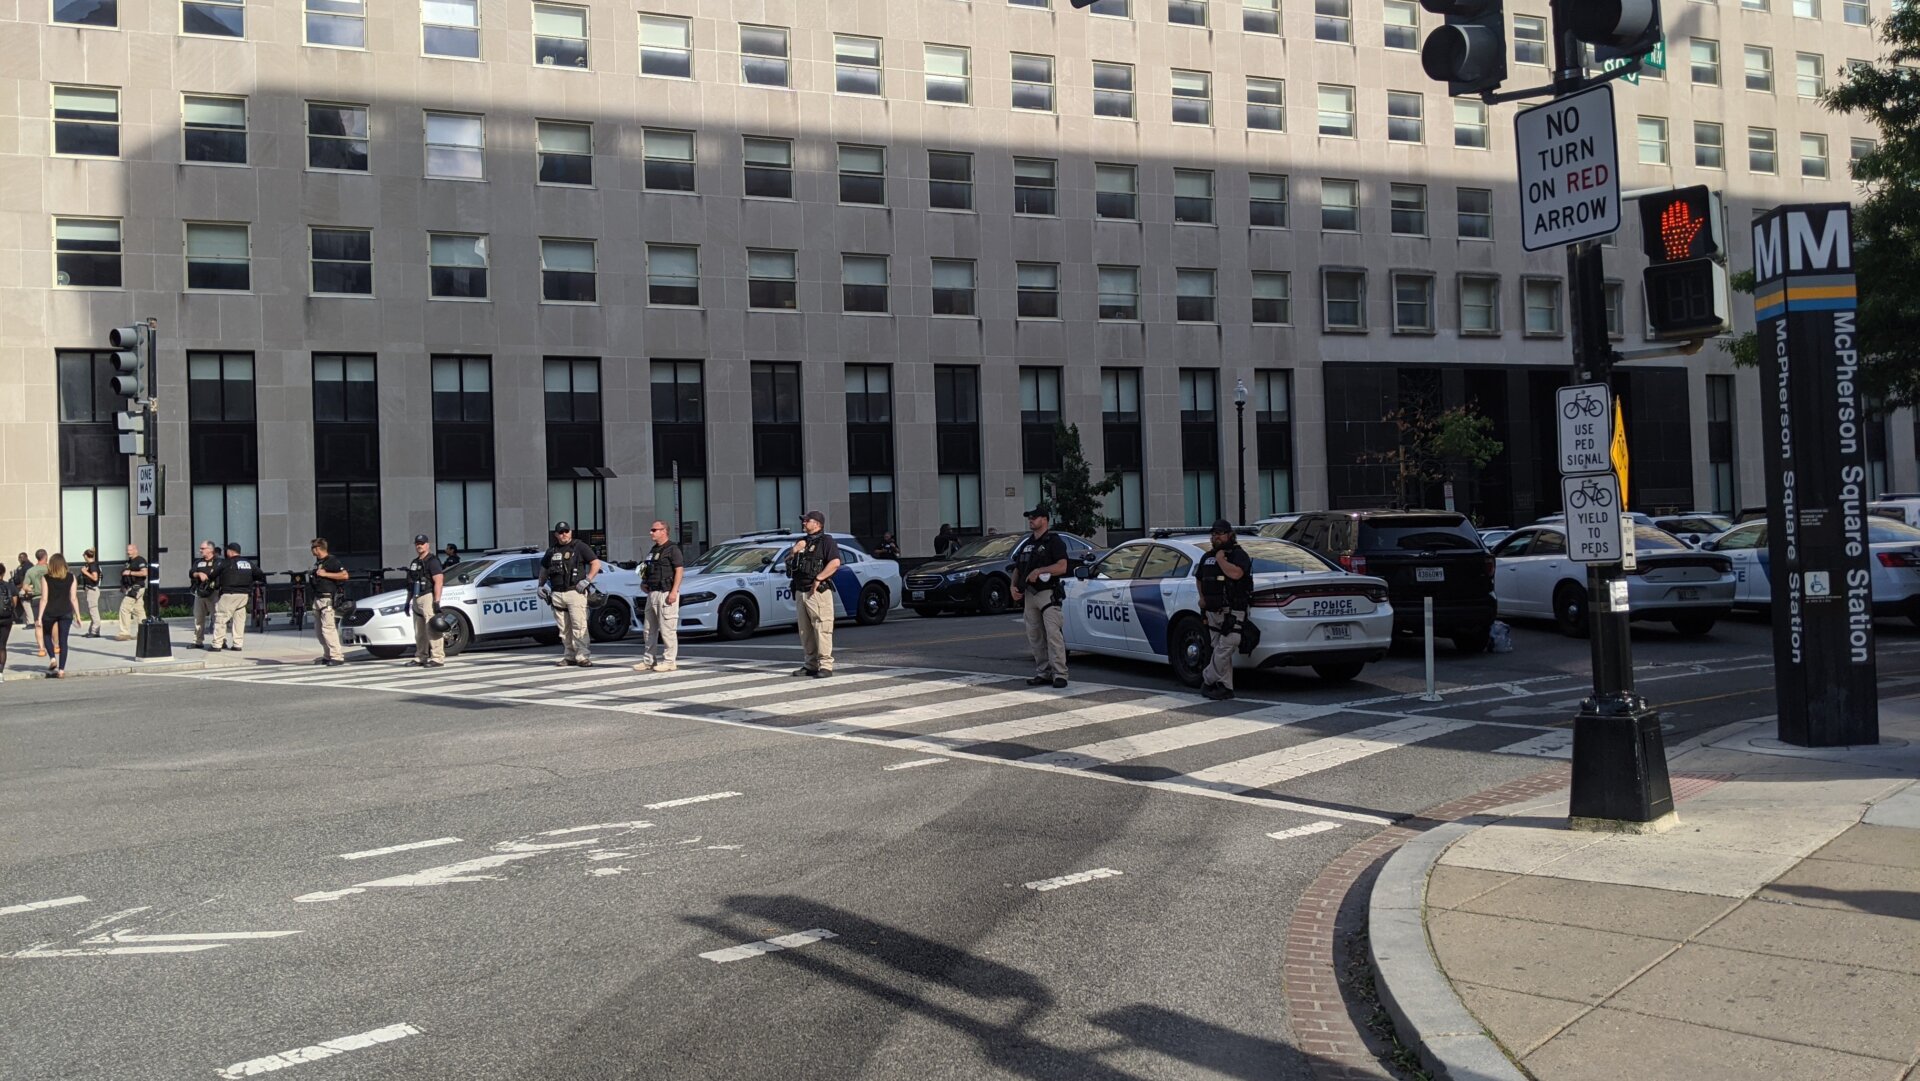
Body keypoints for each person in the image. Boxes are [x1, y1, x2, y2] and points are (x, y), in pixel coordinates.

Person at [1009, 506, 1071, 688]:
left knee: (1053, 635)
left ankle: (1060, 674)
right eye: (1029, 517)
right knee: (1035, 636)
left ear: (1045, 519)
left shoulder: (1054, 541)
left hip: (1047, 593)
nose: (1031, 520)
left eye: (1034, 517)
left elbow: (1062, 566)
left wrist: (1040, 570)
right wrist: (1013, 586)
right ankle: (1043, 672)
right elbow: (1018, 568)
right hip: (1029, 594)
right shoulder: (1027, 543)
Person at [1197, 519, 1253, 701]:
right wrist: (1202, 599)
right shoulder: (1206, 557)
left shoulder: (1238, 555)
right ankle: (1225, 687)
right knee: (1219, 649)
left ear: (1229, 535)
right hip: (1213, 611)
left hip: (1233, 609)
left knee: (1227, 645)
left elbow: (1236, 574)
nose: (1216, 537)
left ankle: (1207, 679)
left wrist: (1221, 559)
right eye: (1213, 534)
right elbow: (1199, 578)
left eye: (1220, 533)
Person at [538, 521, 600, 667]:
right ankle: (569, 656)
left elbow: (596, 563)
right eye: (560, 532)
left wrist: (587, 580)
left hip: (575, 592)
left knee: (579, 625)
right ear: (556, 535)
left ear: (571, 532)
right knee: (564, 628)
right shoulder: (552, 551)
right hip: (557, 593)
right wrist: (540, 585)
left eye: (566, 531)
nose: (564, 534)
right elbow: (544, 568)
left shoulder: (579, 546)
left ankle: (582, 656)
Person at [788, 510, 842, 678]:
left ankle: (825, 665)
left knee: (822, 628)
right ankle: (810, 664)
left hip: (817, 591)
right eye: (804, 521)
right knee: (805, 631)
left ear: (818, 524)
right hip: (801, 590)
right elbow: (788, 562)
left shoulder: (827, 541)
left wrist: (819, 578)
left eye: (807, 521)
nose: (804, 523)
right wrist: (794, 550)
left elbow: (835, 562)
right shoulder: (801, 542)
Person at [633, 521, 685, 673]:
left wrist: (674, 591)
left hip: (666, 592)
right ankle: (649, 660)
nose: (651, 532)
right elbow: (645, 568)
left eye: (654, 530)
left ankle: (669, 661)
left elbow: (679, 571)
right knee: (649, 630)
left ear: (664, 531)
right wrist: (643, 582)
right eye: (651, 530)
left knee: (667, 629)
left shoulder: (672, 549)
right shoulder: (653, 550)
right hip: (652, 593)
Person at [210, 541, 263, 651]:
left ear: (230, 551)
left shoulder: (226, 563)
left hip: (229, 594)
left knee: (221, 618)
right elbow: (259, 574)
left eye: (227, 550)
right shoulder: (248, 563)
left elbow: (213, 574)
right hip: (244, 595)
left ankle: (217, 644)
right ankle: (237, 644)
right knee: (239, 620)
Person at [308, 537, 351, 666]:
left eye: (312, 548)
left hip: (327, 598)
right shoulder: (319, 562)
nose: (311, 551)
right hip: (318, 598)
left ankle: (337, 656)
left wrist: (325, 574)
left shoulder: (332, 561)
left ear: (317, 548)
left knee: (328, 628)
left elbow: (344, 575)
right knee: (319, 630)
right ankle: (327, 655)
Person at [405, 534, 446, 668]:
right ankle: (421, 657)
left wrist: (437, 601)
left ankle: (437, 658)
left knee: (432, 628)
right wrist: (408, 602)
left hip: (428, 596)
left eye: (422, 543)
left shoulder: (432, 561)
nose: (419, 546)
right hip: (416, 597)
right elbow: (410, 584)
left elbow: (438, 581)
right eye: (417, 543)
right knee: (419, 631)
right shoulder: (415, 562)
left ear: (427, 544)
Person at [39, 553, 78, 678]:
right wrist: (78, 615)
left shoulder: (46, 578)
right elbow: (73, 598)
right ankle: (61, 670)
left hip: (50, 611)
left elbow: (44, 599)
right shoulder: (71, 577)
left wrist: (39, 617)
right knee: (63, 641)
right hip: (66, 611)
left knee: (46, 634)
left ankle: (52, 658)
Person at [189, 540, 221, 649]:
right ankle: (198, 641)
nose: (200, 550)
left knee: (217, 618)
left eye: (203, 549)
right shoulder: (198, 562)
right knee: (198, 617)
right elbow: (191, 572)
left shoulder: (218, 562)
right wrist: (198, 573)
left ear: (210, 550)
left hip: (214, 593)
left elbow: (219, 574)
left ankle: (220, 640)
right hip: (200, 593)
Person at [115, 543, 148, 641]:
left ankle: (124, 633)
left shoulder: (140, 560)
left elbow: (144, 572)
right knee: (139, 611)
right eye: (127, 550)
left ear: (135, 550)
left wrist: (130, 572)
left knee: (124, 609)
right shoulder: (129, 562)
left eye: (130, 550)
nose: (128, 552)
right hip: (131, 587)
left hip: (136, 588)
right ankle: (143, 633)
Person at [24, 549, 49, 656]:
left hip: (36, 598)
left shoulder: (31, 571)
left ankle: (41, 649)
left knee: (38, 624)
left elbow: (25, 586)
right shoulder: (50, 568)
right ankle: (56, 646)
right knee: (53, 623)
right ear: (46, 556)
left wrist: (32, 590)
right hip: (50, 598)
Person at [76, 549, 102, 638]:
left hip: (92, 590)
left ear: (86, 556)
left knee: (93, 610)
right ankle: (92, 630)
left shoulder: (93, 566)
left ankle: (95, 631)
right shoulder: (92, 565)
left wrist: (85, 572)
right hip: (90, 590)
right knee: (92, 611)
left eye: (84, 555)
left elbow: (95, 578)